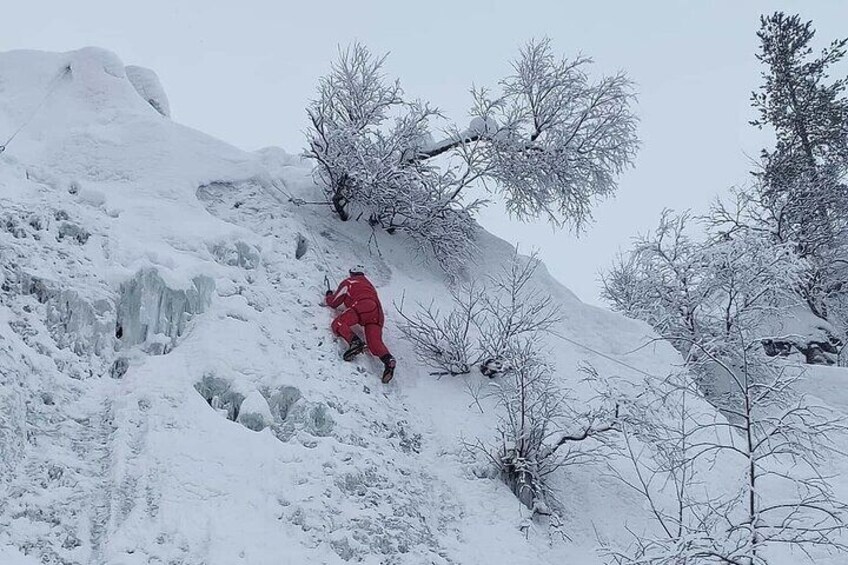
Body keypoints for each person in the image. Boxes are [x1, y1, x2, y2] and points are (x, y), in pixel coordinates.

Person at [325, 265, 396, 383]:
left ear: (351, 274)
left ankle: (354, 342)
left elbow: (334, 302)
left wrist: (328, 295)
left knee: (338, 323)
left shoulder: (349, 282)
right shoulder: (369, 285)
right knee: (375, 343)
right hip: (377, 313)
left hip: (362, 306)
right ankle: (388, 360)